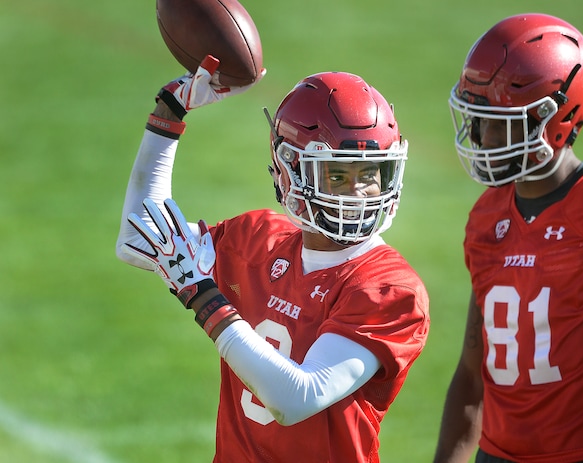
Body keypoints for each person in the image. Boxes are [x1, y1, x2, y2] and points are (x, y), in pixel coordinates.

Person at [115, 57, 429, 462]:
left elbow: (297, 398)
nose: (360, 193)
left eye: (370, 174)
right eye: (337, 175)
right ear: (288, 171)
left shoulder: (389, 288)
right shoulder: (258, 239)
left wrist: (201, 294)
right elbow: (138, 235)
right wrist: (170, 110)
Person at [432, 13, 583, 463]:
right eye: (477, 116)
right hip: (500, 453)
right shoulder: (487, 215)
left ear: (554, 118)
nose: (481, 137)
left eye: (498, 119)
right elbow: (472, 372)